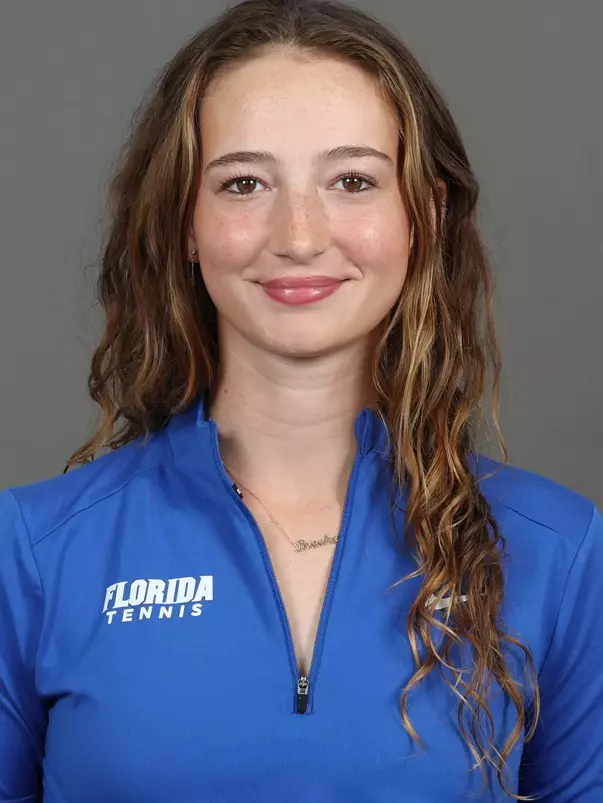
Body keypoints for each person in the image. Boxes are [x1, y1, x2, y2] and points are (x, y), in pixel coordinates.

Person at [1, 0, 601, 800]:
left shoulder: (555, 549)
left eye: (352, 180)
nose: (299, 234)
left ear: (423, 214)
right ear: (186, 222)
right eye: (243, 183)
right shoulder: (32, 553)